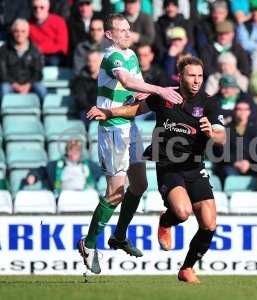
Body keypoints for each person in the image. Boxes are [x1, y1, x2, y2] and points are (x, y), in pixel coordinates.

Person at [87, 55, 226, 283]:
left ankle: (187, 268)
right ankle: (166, 221)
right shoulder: (165, 97)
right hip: (169, 166)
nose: (196, 80)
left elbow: (222, 136)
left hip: (195, 167)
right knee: (182, 212)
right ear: (180, 76)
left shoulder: (209, 103)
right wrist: (109, 112)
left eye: (200, 76)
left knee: (210, 224)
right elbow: (135, 110)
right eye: (192, 75)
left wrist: (212, 132)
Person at [77, 13, 183, 275]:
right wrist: (159, 90)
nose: (127, 33)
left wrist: (152, 92)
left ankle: (119, 236)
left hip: (130, 126)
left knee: (140, 184)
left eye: (128, 29)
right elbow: (126, 81)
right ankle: (89, 244)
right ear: (109, 35)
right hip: (113, 129)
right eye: (121, 30)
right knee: (116, 192)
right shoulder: (111, 56)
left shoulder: (131, 55)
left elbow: (135, 89)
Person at [23, 139, 102, 197]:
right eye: (70, 150)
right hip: (63, 197)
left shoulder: (90, 166)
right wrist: (33, 175)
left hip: (84, 196)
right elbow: (42, 171)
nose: (73, 153)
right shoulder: (55, 165)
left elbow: (105, 172)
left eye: (76, 151)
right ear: (67, 151)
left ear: (80, 152)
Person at [0, 19, 47, 101]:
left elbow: (38, 72)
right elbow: (2, 73)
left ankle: (43, 113)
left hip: (30, 83)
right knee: (4, 89)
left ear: (28, 32)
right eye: (16, 31)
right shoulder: (4, 50)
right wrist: (15, 85)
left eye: (23, 31)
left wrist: (28, 85)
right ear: (12, 32)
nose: (19, 34)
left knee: (42, 90)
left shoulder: (35, 50)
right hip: (10, 83)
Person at [214, 100, 257, 184]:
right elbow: (220, 152)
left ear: (249, 112)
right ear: (234, 111)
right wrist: (235, 162)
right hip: (230, 165)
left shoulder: (255, 130)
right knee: (228, 174)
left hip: (250, 166)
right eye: (239, 109)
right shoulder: (225, 129)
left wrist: (248, 163)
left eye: (245, 109)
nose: (242, 112)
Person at [29, 0, 69, 65]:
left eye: (42, 7)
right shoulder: (29, 24)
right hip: (35, 55)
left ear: (48, 7)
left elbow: (62, 47)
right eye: (35, 8)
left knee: (54, 61)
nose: (38, 10)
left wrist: (41, 49)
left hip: (54, 56)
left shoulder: (58, 21)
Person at [71, 50, 102, 126]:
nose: (91, 64)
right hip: (87, 111)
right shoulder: (80, 79)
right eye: (89, 61)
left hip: (104, 110)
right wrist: (94, 109)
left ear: (100, 62)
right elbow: (81, 99)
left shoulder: (107, 79)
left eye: (94, 61)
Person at [236, 0, 257, 72]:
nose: (255, 13)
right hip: (249, 55)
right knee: (256, 54)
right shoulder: (244, 25)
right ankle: (256, 78)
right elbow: (245, 44)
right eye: (252, 10)